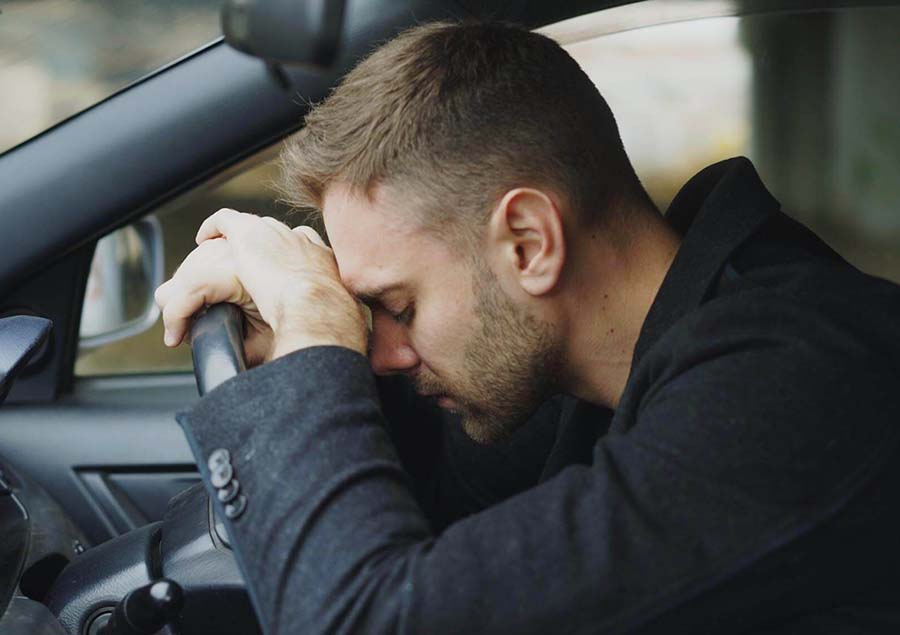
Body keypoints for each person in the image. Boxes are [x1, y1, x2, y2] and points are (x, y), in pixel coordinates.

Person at [154, 21, 900, 635]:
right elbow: (442, 507)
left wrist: (312, 330)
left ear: (529, 244)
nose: (384, 350)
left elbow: (370, 621)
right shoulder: (592, 363)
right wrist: (309, 334)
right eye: (368, 313)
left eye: (400, 305)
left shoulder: (792, 383)